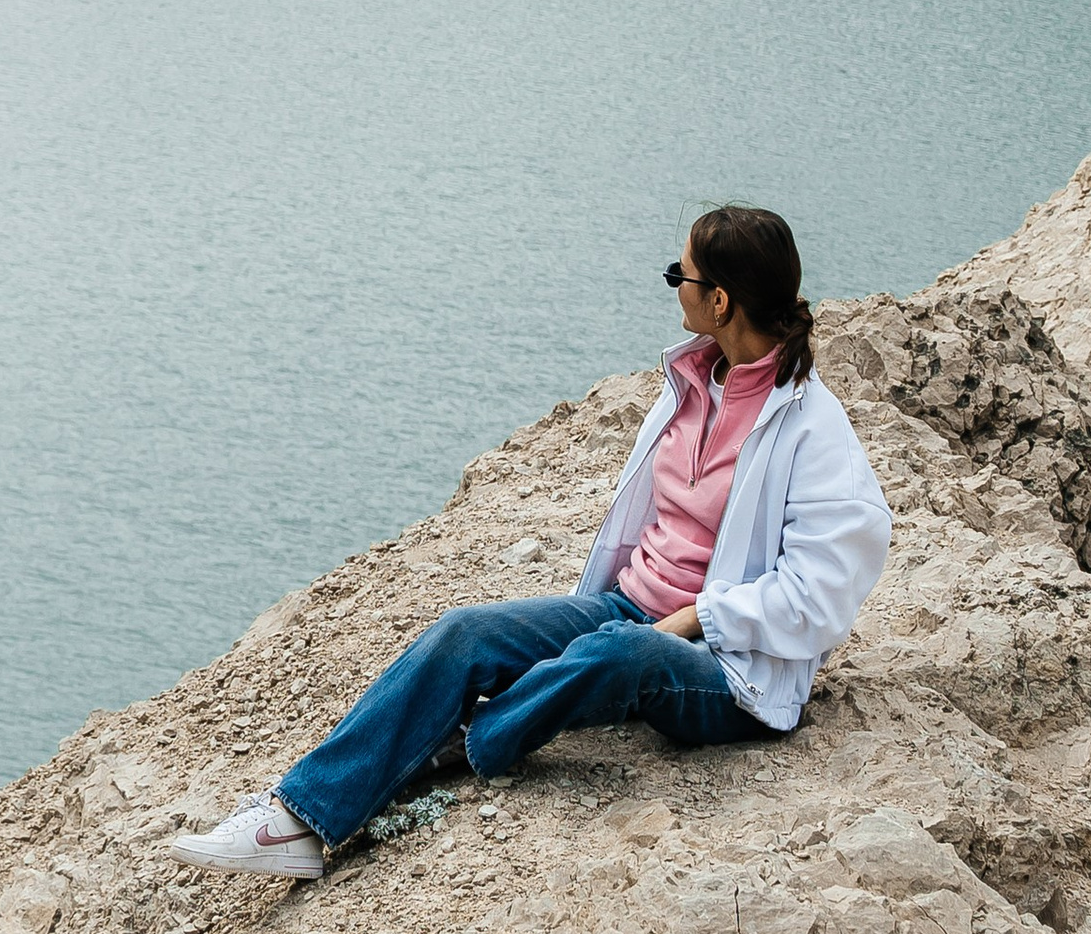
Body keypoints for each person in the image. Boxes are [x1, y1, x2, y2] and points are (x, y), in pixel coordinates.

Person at [171, 206, 890, 883]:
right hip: (627, 606)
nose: (674, 287)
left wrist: (694, 619)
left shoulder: (813, 428)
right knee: (465, 632)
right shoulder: (692, 383)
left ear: (721, 302)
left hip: (728, 669)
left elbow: (821, 594)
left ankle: (459, 743)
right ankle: (298, 818)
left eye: (681, 275)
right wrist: (631, 610)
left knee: (619, 653)